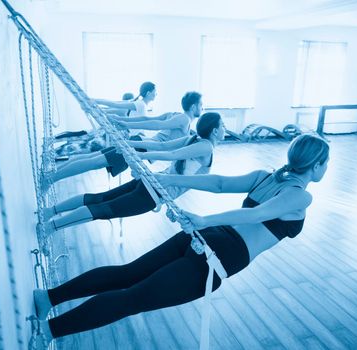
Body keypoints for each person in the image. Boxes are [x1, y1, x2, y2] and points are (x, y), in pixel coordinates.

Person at [32, 134, 330, 343]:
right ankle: (48, 332)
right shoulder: (300, 197)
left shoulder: (265, 176)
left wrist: (175, 182)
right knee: (132, 298)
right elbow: (257, 214)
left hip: (207, 237)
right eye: (325, 163)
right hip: (221, 256)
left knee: (127, 276)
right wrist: (196, 210)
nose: (326, 169)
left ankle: (48, 298)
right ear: (316, 166)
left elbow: (218, 183)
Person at [41, 112, 224, 234]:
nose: (225, 129)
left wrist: (131, 145)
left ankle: (50, 212)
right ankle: (50, 227)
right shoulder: (206, 146)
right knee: (103, 208)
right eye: (222, 125)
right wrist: (134, 150)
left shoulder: (193, 139)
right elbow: (171, 154)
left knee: (100, 199)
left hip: (150, 182)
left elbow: (162, 146)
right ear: (215, 131)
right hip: (155, 192)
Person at [42, 92, 203, 190]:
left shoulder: (175, 115)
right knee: (94, 162)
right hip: (139, 148)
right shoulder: (183, 119)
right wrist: (125, 122)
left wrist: (125, 121)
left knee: (92, 159)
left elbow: (147, 118)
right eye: (201, 105)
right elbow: (156, 124)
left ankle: (51, 175)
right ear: (194, 106)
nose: (202, 108)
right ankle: (51, 178)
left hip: (137, 143)